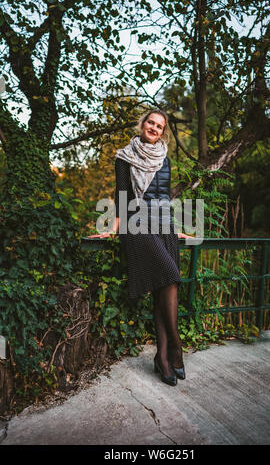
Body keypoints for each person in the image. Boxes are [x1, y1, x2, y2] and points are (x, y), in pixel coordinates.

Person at [88, 109, 193, 386]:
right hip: (136, 223)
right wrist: (113, 227)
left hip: (163, 225)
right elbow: (122, 195)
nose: (154, 128)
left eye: (159, 126)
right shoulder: (125, 156)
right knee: (170, 275)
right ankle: (175, 345)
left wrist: (175, 225)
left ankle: (162, 358)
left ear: (163, 131)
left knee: (164, 287)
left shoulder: (165, 159)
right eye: (151, 122)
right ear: (142, 124)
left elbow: (165, 195)